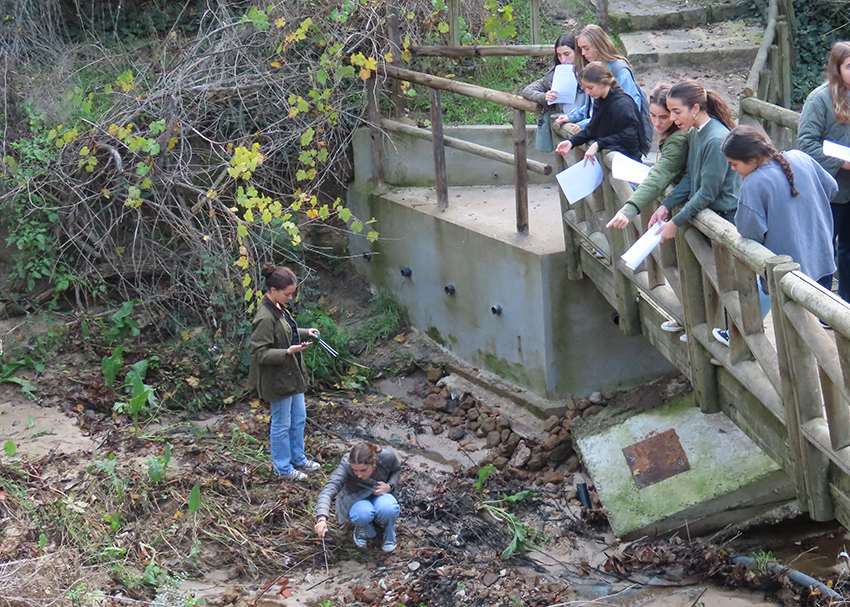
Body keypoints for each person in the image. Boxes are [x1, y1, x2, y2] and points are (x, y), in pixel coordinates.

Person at [710, 126, 838, 345]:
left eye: (734, 164)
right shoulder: (801, 157)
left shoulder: (754, 183)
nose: (733, 169)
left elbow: (749, 230)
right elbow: (831, 187)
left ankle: (743, 341)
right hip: (821, 253)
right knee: (813, 323)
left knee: (796, 329)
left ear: (751, 158)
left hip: (786, 269)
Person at [249, 263, 321, 481]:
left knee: (299, 417)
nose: (291, 298)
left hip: (291, 376)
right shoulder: (263, 317)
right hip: (276, 380)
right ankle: (282, 467)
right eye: (288, 294)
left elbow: (285, 330)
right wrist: (287, 352)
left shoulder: (278, 307)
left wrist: (305, 332)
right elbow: (260, 353)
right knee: (282, 423)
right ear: (273, 291)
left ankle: (298, 458)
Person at [648, 80, 741, 243]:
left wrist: (675, 221)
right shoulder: (693, 132)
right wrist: (666, 205)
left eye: (676, 111)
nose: (672, 118)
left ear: (695, 109)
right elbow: (691, 176)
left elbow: (707, 192)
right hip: (707, 216)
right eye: (670, 112)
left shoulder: (715, 140)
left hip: (725, 220)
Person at [796, 41, 850, 302]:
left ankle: (846, 303)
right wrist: (842, 161)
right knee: (825, 246)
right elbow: (806, 143)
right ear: (837, 69)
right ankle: (823, 304)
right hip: (830, 188)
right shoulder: (819, 99)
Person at [558, 24, 651, 155]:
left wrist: (588, 125)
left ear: (598, 45)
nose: (583, 53)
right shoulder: (592, 70)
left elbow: (632, 108)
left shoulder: (620, 70)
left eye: (586, 48)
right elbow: (593, 108)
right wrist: (572, 117)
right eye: (580, 49)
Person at [606, 84, 689, 228]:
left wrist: (629, 210)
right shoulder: (675, 134)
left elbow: (661, 174)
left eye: (663, 117)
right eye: (653, 115)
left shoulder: (678, 140)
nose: (657, 123)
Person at [314, 442, 402, 552]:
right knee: (362, 514)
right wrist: (322, 518)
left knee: (389, 508)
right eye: (355, 470)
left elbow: (396, 470)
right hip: (356, 497)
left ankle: (389, 531)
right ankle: (363, 527)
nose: (359, 475)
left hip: (381, 494)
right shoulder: (345, 465)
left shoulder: (387, 457)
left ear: (373, 463)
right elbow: (328, 490)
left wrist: (389, 485)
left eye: (363, 470)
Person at [554, 62, 642, 163]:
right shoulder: (600, 100)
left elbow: (630, 136)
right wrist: (571, 142)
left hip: (628, 161)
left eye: (590, 88)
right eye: (585, 88)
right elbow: (592, 130)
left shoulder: (623, 104)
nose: (587, 92)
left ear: (604, 83)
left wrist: (599, 144)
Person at [523, 33, 587, 152]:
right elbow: (528, 90)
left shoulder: (590, 70)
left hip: (586, 124)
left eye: (567, 54)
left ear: (577, 52)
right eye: (559, 55)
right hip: (564, 124)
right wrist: (544, 97)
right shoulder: (555, 73)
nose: (563, 60)